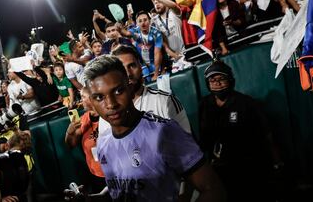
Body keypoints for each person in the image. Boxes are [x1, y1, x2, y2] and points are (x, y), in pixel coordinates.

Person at [81, 55, 225, 201]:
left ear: (130, 89)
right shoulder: (103, 142)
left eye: (118, 91)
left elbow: (213, 189)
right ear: (92, 102)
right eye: (99, 97)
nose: (111, 104)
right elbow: (121, 189)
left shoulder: (163, 132)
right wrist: (94, 198)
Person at [199, 60, 274, 202]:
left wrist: (276, 162)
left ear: (230, 80)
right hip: (219, 169)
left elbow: (266, 134)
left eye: (221, 79)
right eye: (212, 80)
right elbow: (204, 138)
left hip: (246, 168)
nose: (217, 83)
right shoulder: (204, 104)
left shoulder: (246, 103)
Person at [98, 45, 191, 136]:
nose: (128, 74)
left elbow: (188, 145)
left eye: (132, 66)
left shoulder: (165, 101)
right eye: (122, 69)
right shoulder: (107, 114)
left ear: (141, 67)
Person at [65, 87, 106, 194]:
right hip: (95, 172)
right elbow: (71, 144)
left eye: (83, 97)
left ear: (92, 98)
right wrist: (69, 132)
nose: (80, 100)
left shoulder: (107, 114)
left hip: (115, 170)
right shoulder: (84, 119)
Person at [118, 11, 164, 81]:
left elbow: (157, 54)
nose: (143, 23)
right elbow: (126, 33)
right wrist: (119, 29)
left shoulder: (156, 33)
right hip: (142, 64)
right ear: (137, 23)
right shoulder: (135, 31)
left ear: (150, 21)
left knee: (159, 80)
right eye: (140, 21)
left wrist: (156, 73)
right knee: (146, 80)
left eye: (145, 20)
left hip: (154, 63)